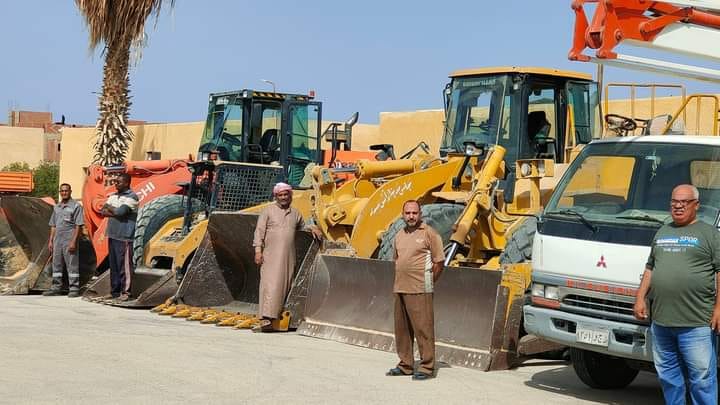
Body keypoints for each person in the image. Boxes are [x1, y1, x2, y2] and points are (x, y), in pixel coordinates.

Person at [634, 184, 720, 404]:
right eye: (674, 202)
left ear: (696, 205)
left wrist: (719, 308)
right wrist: (640, 298)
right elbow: (650, 268)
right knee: (669, 377)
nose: (678, 206)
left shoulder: (709, 234)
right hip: (662, 322)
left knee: (702, 380)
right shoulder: (663, 231)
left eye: (684, 202)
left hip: (696, 323)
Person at [386, 200, 445, 380]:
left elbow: (439, 262)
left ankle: (427, 367)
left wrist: (428, 281)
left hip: (420, 288)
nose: (411, 216)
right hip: (400, 287)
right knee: (402, 330)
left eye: (414, 213)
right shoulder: (399, 235)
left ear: (420, 214)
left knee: (423, 329)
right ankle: (405, 365)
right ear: (402, 215)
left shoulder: (429, 233)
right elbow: (398, 260)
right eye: (408, 213)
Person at [252, 182, 322, 332]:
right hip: (270, 256)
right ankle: (265, 317)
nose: (283, 197)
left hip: (289, 258)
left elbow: (303, 227)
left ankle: (277, 318)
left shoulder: (295, 213)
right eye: (281, 195)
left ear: (290, 196)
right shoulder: (268, 211)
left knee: (285, 286)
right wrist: (258, 251)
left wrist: (313, 227)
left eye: (286, 195)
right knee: (270, 285)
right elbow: (259, 232)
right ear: (276, 196)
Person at [100, 173, 139, 303]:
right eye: (115, 182)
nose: (116, 184)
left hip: (125, 236)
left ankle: (126, 292)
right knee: (114, 266)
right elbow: (102, 211)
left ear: (127, 183)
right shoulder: (113, 196)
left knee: (124, 266)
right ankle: (114, 292)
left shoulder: (132, 197)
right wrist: (115, 212)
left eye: (119, 182)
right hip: (112, 235)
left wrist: (111, 209)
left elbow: (120, 212)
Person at [43, 183, 84, 297]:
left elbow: (78, 225)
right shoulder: (57, 207)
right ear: (60, 192)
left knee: (72, 264)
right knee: (56, 264)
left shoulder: (76, 206)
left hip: (69, 239)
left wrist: (73, 241)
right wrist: (51, 241)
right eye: (62, 191)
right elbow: (53, 225)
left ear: (70, 192)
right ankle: (56, 287)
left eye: (66, 191)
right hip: (57, 240)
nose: (64, 193)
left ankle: (74, 288)